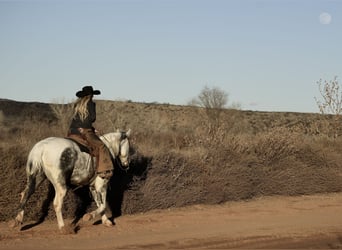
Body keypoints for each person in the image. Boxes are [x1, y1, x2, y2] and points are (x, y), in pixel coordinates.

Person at [68, 86, 113, 179]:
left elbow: (80, 120)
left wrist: (92, 128)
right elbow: (92, 118)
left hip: (72, 131)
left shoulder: (77, 105)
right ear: (91, 95)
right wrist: (89, 129)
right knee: (101, 146)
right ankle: (103, 171)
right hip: (84, 131)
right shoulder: (91, 104)